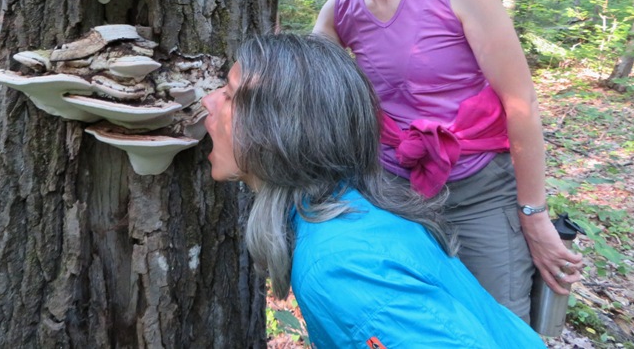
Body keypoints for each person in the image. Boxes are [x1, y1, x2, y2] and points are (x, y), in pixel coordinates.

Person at [312, 0, 583, 321]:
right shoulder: (340, 10)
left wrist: (535, 216)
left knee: (497, 325)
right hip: (391, 195)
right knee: (415, 325)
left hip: (478, 190)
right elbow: (301, 92)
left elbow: (520, 103)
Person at [201, 33, 546, 348]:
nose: (208, 102)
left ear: (279, 131)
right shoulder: (349, 204)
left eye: (229, 95)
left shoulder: (342, 265)